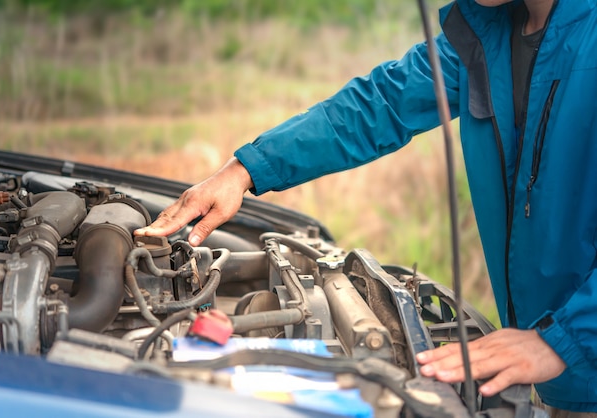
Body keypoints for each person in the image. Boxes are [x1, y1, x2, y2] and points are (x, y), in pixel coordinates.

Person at [135, 0, 597, 414]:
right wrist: (245, 170)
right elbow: (378, 104)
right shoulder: (485, 35)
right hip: (553, 371)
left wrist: (564, 341)